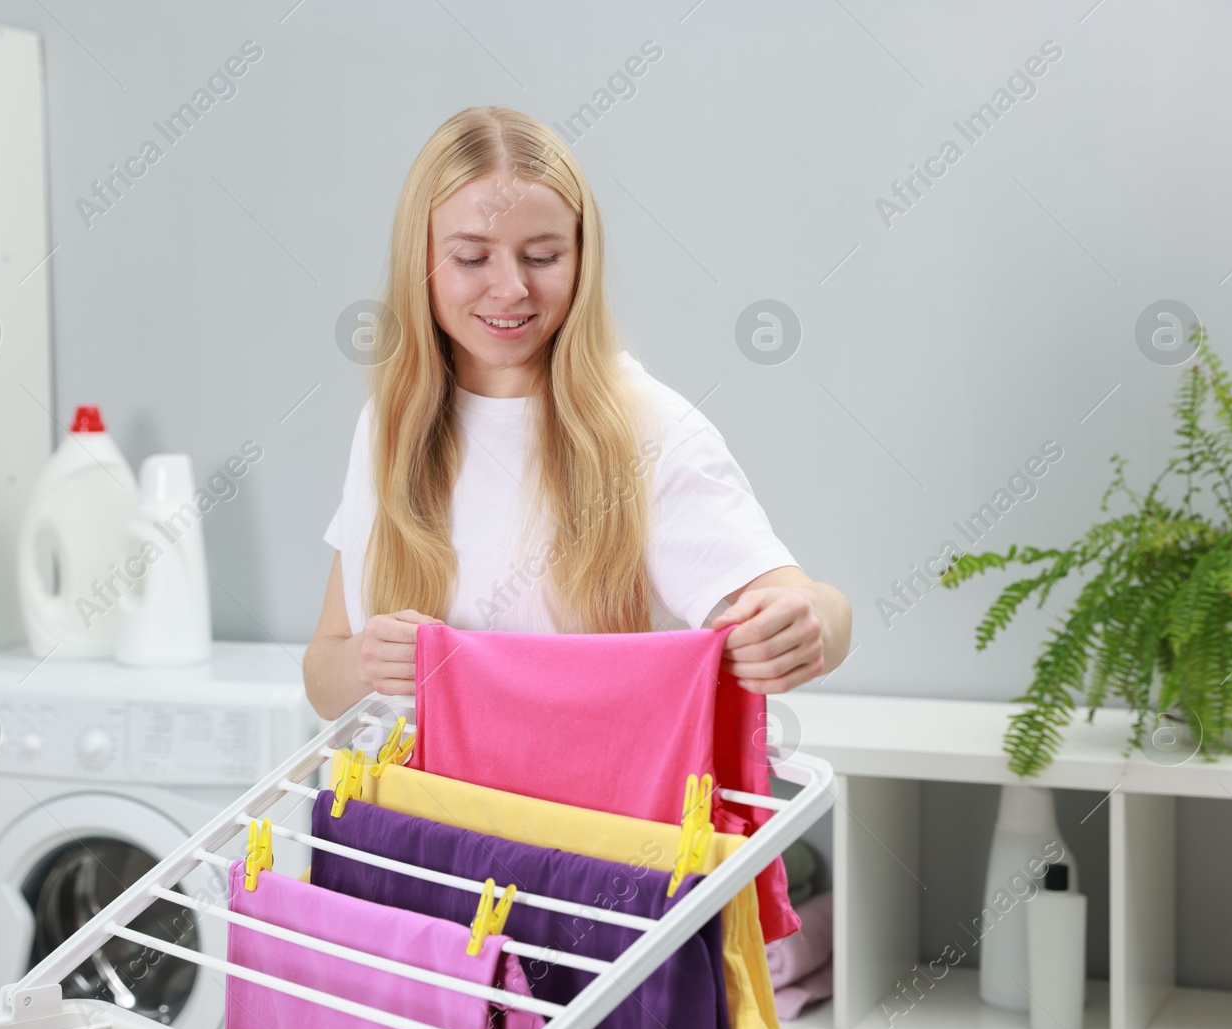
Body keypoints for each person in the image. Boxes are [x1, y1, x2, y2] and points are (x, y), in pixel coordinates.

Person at [304, 106, 851, 721]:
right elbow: (323, 678)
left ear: (581, 258)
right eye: (471, 258)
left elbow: (809, 604)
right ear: (421, 261)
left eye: (541, 257)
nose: (511, 288)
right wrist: (359, 663)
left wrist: (813, 624)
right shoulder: (391, 423)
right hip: (417, 813)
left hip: (594, 818)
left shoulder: (650, 433)